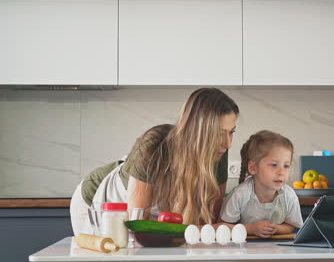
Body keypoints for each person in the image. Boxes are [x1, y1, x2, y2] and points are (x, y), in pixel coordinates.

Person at [70, 88, 239, 235]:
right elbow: (139, 226)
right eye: (218, 133)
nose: (227, 143)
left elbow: (206, 225)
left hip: (151, 221)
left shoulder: (219, 151)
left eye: (231, 132)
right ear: (198, 131)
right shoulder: (154, 145)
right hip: (99, 202)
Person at [219, 130, 303, 238]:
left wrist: (276, 228)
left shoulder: (289, 195)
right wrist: (251, 229)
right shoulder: (240, 194)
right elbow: (223, 227)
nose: (281, 172)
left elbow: (291, 225)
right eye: (274, 165)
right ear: (253, 168)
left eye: (286, 166)